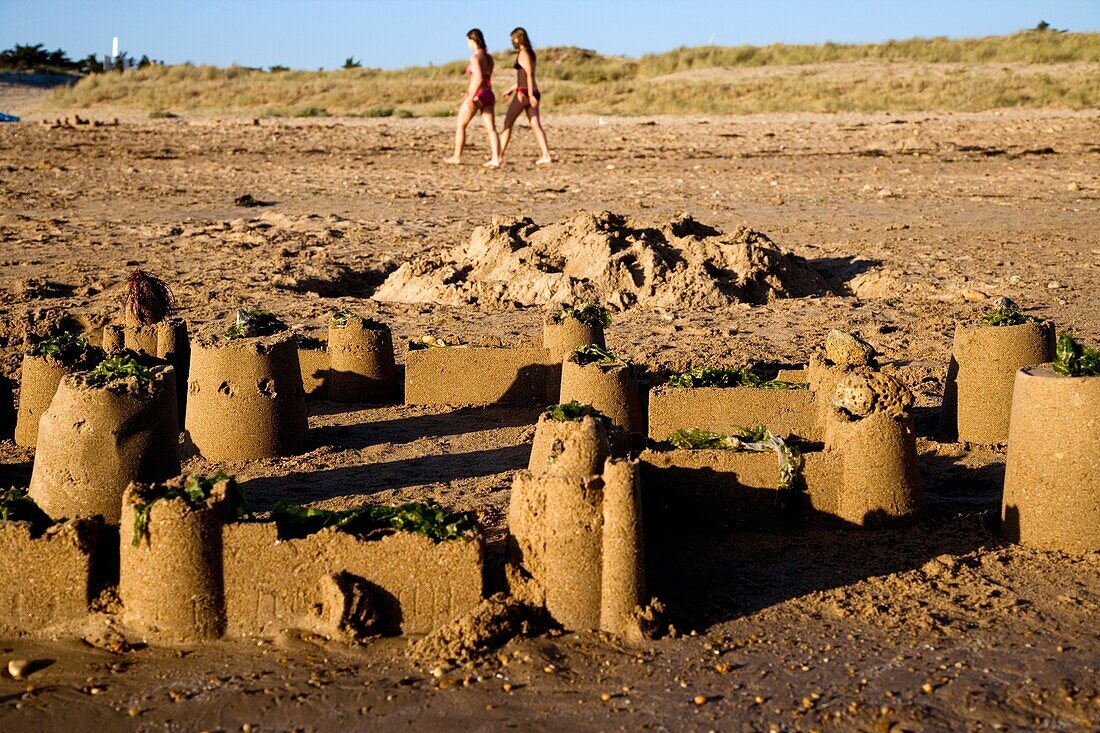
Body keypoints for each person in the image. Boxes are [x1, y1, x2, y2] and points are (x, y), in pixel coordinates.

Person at [444, 28, 502, 167]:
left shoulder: (475, 58)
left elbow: (478, 77)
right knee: (491, 128)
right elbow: (484, 78)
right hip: (488, 93)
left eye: (468, 41)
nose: (468, 45)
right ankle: (496, 158)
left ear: (473, 40)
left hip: (478, 94)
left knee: (461, 125)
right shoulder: (489, 57)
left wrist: (470, 97)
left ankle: (457, 156)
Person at [499, 27, 552, 165]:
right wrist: (511, 89)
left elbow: (529, 75)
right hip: (529, 91)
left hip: (525, 93)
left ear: (519, 38)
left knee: (507, 123)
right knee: (535, 125)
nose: (512, 41)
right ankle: (546, 154)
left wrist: (529, 94)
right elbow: (523, 76)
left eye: (513, 38)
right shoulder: (530, 53)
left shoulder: (524, 54)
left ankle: (498, 154)